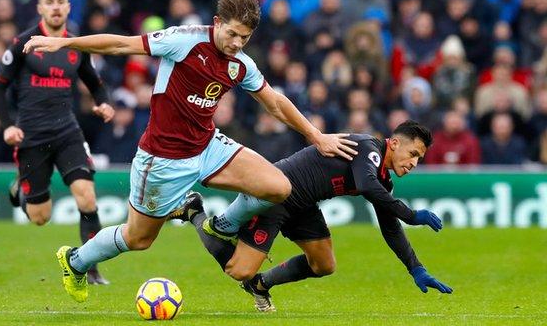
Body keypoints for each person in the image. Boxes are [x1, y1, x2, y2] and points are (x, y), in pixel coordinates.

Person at [22, 0, 357, 303]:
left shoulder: (240, 63)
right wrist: (63, 43)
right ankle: (75, 260)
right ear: (217, 23)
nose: (237, 43)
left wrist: (317, 136)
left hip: (208, 146)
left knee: (278, 186)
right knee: (139, 239)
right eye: (232, 34)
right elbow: (120, 45)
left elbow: (275, 104)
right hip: (162, 159)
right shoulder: (184, 40)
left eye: (245, 38)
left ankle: (219, 225)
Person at [170, 121, 452, 312]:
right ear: (393, 143)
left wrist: (415, 268)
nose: (414, 163)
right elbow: (366, 185)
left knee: (324, 264)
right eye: (413, 153)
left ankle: (261, 284)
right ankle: (196, 212)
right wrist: (412, 215)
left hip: (303, 206)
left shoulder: (383, 181)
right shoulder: (368, 148)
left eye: (420, 159)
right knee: (239, 270)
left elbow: (390, 228)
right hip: (277, 196)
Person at [0, 0, 115, 285]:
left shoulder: (76, 47)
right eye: (50, 2)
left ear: (69, 7)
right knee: (40, 218)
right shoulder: (23, 43)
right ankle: (21, 189)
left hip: (67, 131)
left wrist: (104, 103)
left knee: (87, 197)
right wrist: (8, 124)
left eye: (61, 1)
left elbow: (95, 82)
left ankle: (91, 267)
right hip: (31, 135)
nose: (56, 6)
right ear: (40, 8)